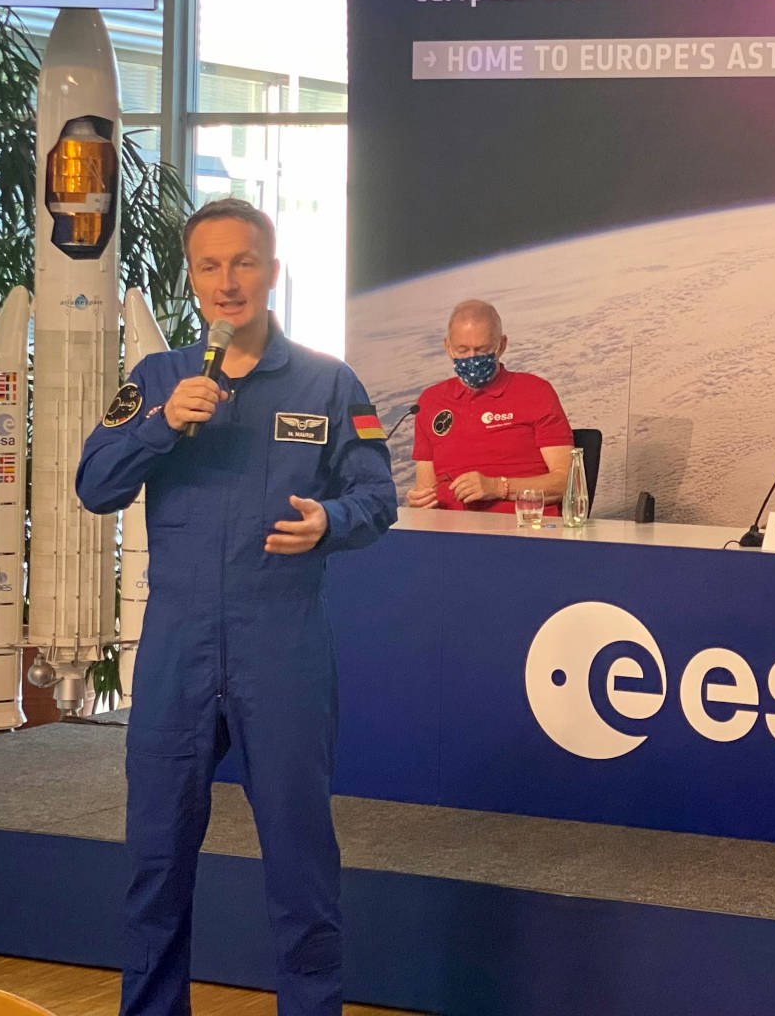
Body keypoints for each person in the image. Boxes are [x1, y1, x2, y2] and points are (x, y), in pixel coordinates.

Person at [75, 198, 396, 1016]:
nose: (229, 281)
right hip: (178, 648)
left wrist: (333, 521)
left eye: (244, 262)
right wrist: (158, 428)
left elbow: (378, 494)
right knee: (156, 858)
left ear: (273, 271)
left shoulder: (328, 381)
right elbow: (94, 486)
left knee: (300, 860)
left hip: (280, 645)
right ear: (191, 279)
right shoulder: (156, 381)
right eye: (211, 266)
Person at [404, 299, 573, 513]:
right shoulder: (430, 401)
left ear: (501, 345)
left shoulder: (535, 391)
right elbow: (425, 488)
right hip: (449, 533)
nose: (472, 358)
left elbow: (566, 482)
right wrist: (419, 501)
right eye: (462, 350)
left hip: (523, 531)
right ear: (448, 347)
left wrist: (497, 487)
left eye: (482, 349)